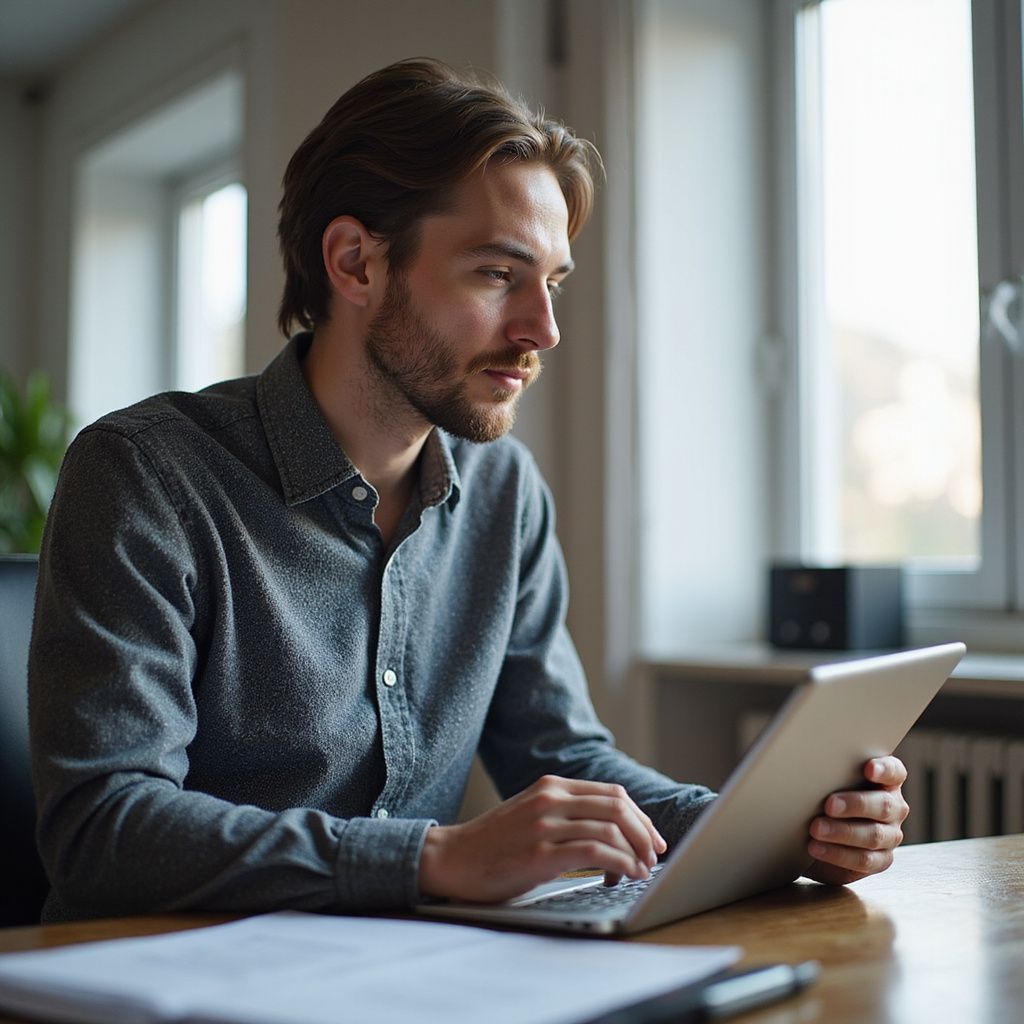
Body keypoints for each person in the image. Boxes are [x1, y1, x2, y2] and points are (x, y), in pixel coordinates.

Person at [29, 58, 908, 922]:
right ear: (355, 263)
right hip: (158, 975)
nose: (544, 330)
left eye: (552, 282)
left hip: (399, 973)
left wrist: (767, 828)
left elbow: (561, 752)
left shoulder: (504, 491)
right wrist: (436, 858)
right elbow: (102, 827)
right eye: (497, 274)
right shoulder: (145, 474)